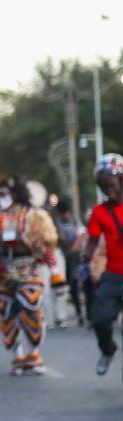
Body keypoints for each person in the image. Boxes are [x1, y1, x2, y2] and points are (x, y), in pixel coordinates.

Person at [0, 177, 58, 376]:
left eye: (6, 192)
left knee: (30, 306)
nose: (1, 196)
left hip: (29, 270)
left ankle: (34, 354)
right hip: (2, 272)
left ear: (17, 193)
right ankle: (18, 356)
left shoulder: (34, 216)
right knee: (6, 315)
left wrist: (56, 274)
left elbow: (47, 246)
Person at [85, 153, 123, 378]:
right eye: (104, 185)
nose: (109, 189)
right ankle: (108, 351)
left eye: (113, 183)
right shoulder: (100, 211)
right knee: (99, 320)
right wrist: (85, 257)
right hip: (113, 275)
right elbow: (91, 241)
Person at [53, 200, 83, 325]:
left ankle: (79, 314)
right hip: (61, 259)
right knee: (61, 288)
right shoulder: (55, 223)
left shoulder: (74, 221)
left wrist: (76, 246)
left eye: (67, 213)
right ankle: (60, 316)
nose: (65, 216)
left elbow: (81, 236)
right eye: (63, 214)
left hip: (74, 258)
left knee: (74, 287)